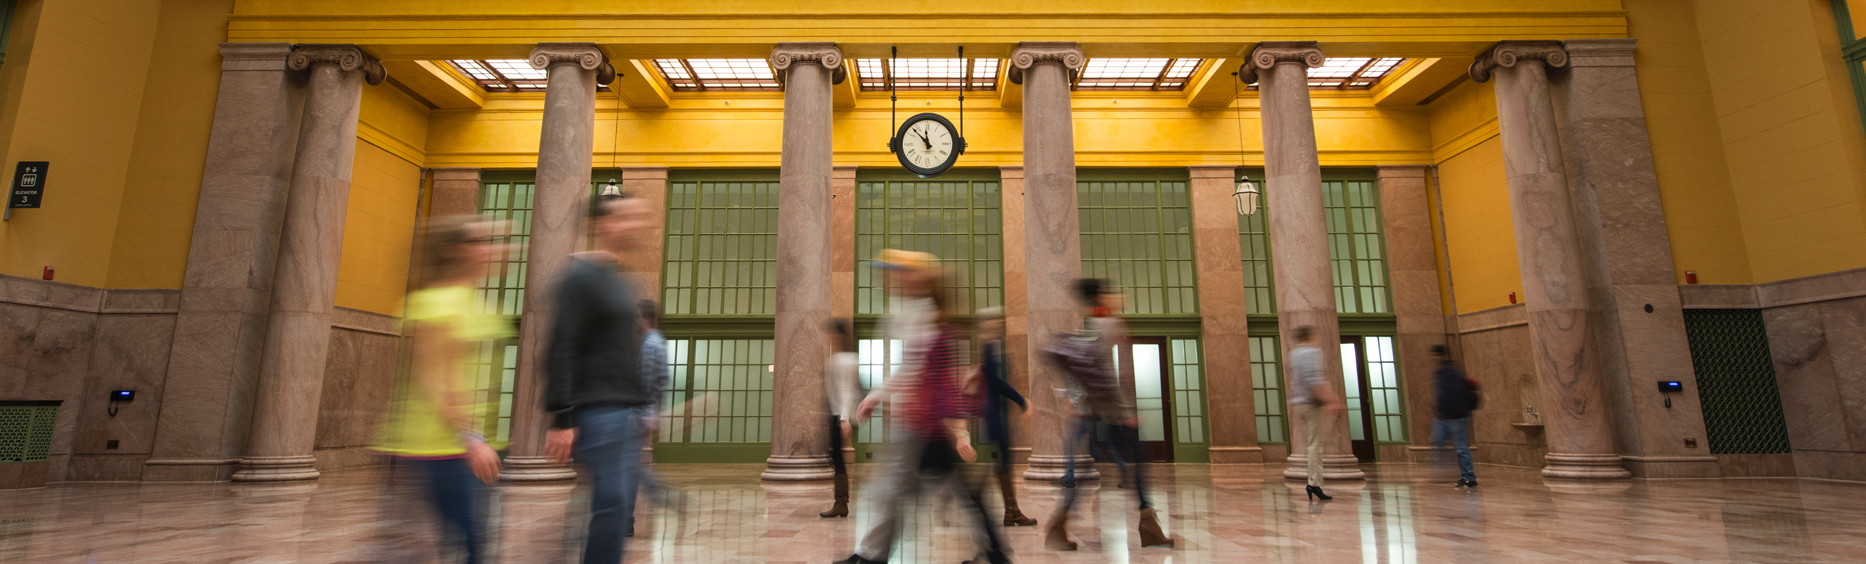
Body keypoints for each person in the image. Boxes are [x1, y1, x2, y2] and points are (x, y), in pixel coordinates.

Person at [838, 250, 1010, 564]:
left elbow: (934, 377)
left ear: (918, 277)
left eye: (900, 273)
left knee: (903, 490)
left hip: (925, 424)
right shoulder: (915, 313)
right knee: (910, 491)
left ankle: (871, 556)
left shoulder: (932, 321)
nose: (893, 279)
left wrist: (958, 431)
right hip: (921, 422)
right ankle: (993, 553)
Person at [374, 216, 510, 564]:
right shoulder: (434, 303)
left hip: (468, 446)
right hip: (436, 447)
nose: (489, 250)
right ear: (452, 251)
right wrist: (470, 438)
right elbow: (436, 377)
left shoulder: (475, 304)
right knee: (468, 544)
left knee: (472, 543)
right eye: (478, 243)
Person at [541, 192, 655, 564]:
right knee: (611, 505)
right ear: (602, 223)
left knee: (616, 506)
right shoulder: (580, 279)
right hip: (598, 413)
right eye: (627, 217)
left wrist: (640, 409)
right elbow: (562, 347)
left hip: (621, 414)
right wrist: (561, 417)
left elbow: (620, 358)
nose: (637, 224)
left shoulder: (618, 282)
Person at [1045, 278, 1171, 550]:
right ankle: (1148, 526)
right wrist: (1126, 413)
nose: (1118, 296)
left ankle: (1058, 526)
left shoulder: (1090, 325)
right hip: (1114, 412)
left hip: (1098, 410)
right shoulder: (1110, 324)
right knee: (1139, 463)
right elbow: (1112, 375)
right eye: (1112, 293)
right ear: (1102, 297)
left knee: (1087, 471)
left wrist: (1077, 400)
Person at [972, 307, 1037, 527]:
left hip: (992, 413)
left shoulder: (989, 346)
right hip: (992, 414)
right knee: (1002, 461)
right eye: (997, 321)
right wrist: (1022, 401)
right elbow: (996, 383)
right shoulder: (989, 346)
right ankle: (1005, 509)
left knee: (1001, 462)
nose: (1001, 324)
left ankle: (1011, 511)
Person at [1288, 325, 1346, 502]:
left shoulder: (1293, 355)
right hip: (1313, 403)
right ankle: (1314, 483)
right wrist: (1331, 400)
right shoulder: (1312, 353)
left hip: (1301, 403)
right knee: (1316, 445)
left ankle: (1314, 483)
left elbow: (1296, 381)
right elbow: (1314, 379)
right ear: (1310, 336)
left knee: (1314, 443)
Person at [632, 299, 669, 535]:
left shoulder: (650, 344)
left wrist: (644, 411)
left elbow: (648, 382)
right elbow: (661, 380)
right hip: (645, 411)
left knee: (628, 464)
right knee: (630, 462)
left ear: (644, 318)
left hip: (639, 412)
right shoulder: (657, 342)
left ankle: (657, 491)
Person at [819, 319, 861, 518]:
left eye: (832, 334)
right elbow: (832, 391)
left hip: (839, 415)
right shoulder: (835, 359)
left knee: (838, 458)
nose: (830, 337)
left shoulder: (846, 360)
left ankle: (841, 503)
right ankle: (841, 503)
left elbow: (847, 390)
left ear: (839, 335)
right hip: (834, 414)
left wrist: (844, 419)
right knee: (836, 458)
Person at [1430, 344, 1478, 488]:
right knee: (1437, 440)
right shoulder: (1439, 372)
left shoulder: (1453, 371)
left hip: (1457, 417)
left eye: (1436, 355)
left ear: (1442, 355)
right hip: (1443, 417)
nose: (1434, 358)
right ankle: (1452, 468)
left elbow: (1457, 395)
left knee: (1462, 448)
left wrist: (1453, 413)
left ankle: (1469, 477)